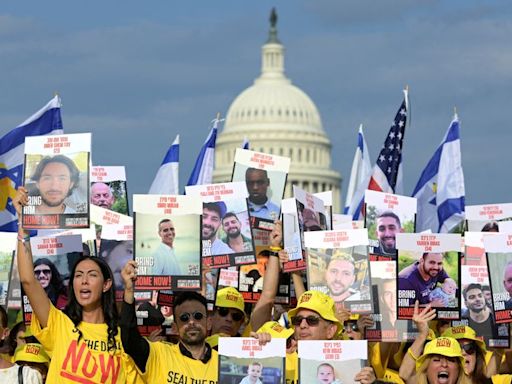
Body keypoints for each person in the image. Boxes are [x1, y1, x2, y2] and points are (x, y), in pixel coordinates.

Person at [14, 186, 139, 383]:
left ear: (106, 284)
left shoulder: (122, 339)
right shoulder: (60, 326)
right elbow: (29, 281)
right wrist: (23, 225)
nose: (84, 281)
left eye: (91, 275)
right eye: (78, 275)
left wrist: (129, 290)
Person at [0, 306, 43, 383]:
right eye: (23, 339)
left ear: (5, 333)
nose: (28, 343)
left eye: (32, 339)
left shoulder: (28, 376)